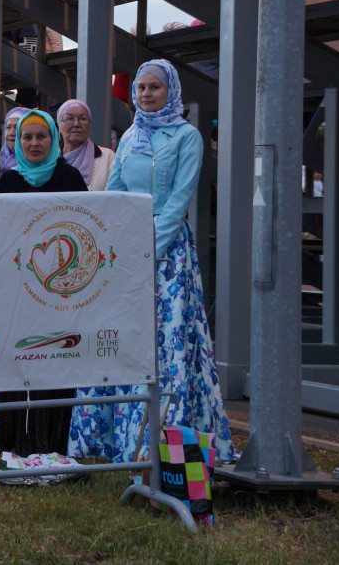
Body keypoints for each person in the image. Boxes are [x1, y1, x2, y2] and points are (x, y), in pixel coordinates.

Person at [69, 60, 237, 464]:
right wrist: (112, 245)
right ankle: (113, 439)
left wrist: (149, 251)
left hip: (166, 252)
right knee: (119, 336)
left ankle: (161, 443)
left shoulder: (187, 137)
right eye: (141, 87)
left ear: (170, 91)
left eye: (154, 87)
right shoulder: (130, 135)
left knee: (165, 342)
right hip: (126, 249)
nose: (146, 94)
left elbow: (179, 200)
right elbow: (116, 193)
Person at [0, 110, 85, 455]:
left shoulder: (70, 177)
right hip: (18, 289)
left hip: (61, 288)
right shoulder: (8, 179)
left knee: (56, 358)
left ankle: (52, 446)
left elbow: (84, 228)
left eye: (41, 136)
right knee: (18, 361)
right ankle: (12, 445)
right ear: (17, 142)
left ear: (53, 139)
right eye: (27, 137)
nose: (34, 143)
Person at [56, 99, 116, 191]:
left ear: (89, 125)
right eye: (70, 119)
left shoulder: (108, 157)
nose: (76, 124)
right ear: (60, 126)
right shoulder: (51, 160)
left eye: (82, 119)